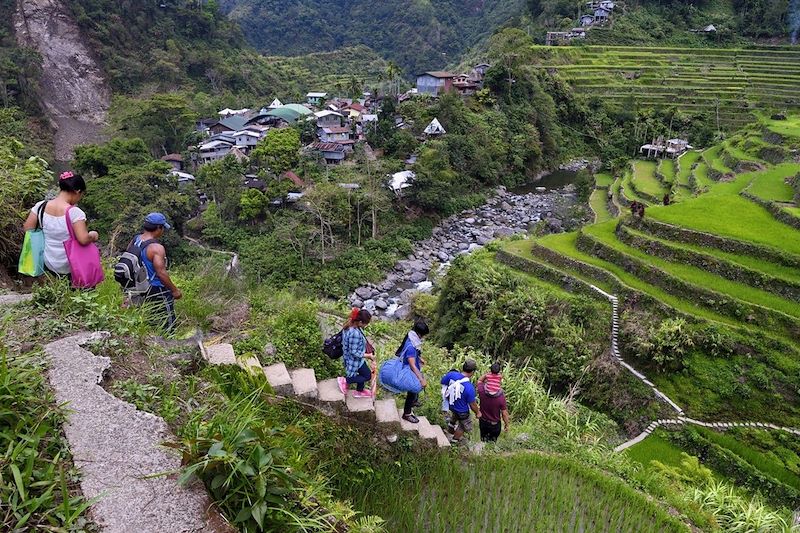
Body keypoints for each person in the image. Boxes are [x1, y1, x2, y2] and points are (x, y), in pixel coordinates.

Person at [22, 171, 99, 278]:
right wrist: (93, 235)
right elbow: (83, 239)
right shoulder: (75, 212)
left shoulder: (40, 206)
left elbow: (27, 228)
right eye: (81, 195)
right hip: (69, 263)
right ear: (77, 191)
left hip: (49, 262)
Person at [134, 213, 181, 331]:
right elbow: (161, 273)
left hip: (140, 286)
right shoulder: (156, 248)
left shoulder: (136, 240)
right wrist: (174, 291)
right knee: (167, 322)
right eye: (163, 228)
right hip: (156, 288)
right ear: (159, 228)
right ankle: (170, 343)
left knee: (149, 318)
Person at [397, 320, 429, 423]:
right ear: (419, 334)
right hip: (410, 370)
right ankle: (407, 414)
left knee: (414, 391)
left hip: (411, 367)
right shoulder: (411, 346)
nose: (423, 337)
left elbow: (413, 355)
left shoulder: (411, 337)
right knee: (412, 391)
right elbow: (412, 365)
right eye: (423, 335)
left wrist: (418, 358)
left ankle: (414, 401)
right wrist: (421, 379)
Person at [441, 359, 480, 443]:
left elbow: (443, 382)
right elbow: (472, 404)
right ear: (472, 372)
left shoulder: (451, 374)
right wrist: (478, 413)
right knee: (463, 426)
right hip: (462, 410)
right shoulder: (469, 387)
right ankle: (454, 441)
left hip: (451, 405)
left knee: (455, 415)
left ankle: (450, 430)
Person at [337, 309, 374, 398]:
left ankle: (360, 391)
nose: (366, 325)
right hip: (354, 360)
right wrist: (368, 356)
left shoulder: (351, 325)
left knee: (364, 374)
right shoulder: (354, 333)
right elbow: (354, 352)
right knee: (367, 376)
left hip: (353, 358)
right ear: (360, 322)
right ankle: (346, 380)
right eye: (366, 323)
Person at [477, 362, 510, 442]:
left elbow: (479, 381)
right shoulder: (501, 397)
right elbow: (504, 414)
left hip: (483, 422)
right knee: (492, 443)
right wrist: (506, 425)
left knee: (483, 441)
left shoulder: (481, 391)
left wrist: (487, 375)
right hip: (494, 425)